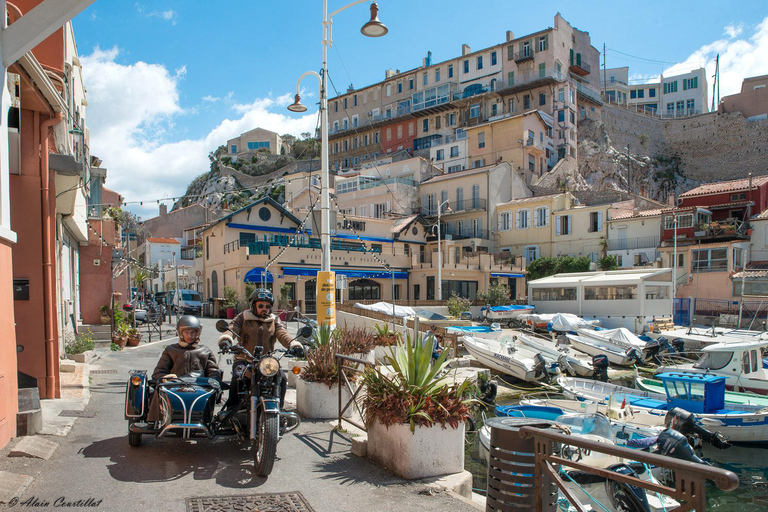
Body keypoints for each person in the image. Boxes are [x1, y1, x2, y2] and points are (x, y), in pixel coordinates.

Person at [217, 288, 296, 410]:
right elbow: (233, 328)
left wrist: (293, 344)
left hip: (266, 361)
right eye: (260, 305)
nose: (264, 308)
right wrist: (226, 339)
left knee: (281, 377)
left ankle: (278, 410)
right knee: (237, 378)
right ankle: (231, 409)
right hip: (245, 358)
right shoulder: (243, 317)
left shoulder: (274, 320)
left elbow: (282, 333)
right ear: (253, 305)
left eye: (267, 306)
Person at [146, 315, 221, 424]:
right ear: (180, 333)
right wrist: (165, 378)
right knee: (158, 389)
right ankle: (155, 421)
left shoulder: (205, 351)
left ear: (197, 333)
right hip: (174, 387)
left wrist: (213, 380)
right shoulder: (171, 350)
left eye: (193, 332)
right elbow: (158, 372)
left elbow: (214, 372)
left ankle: (207, 421)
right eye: (186, 332)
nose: (189, 335)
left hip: (199, 388)